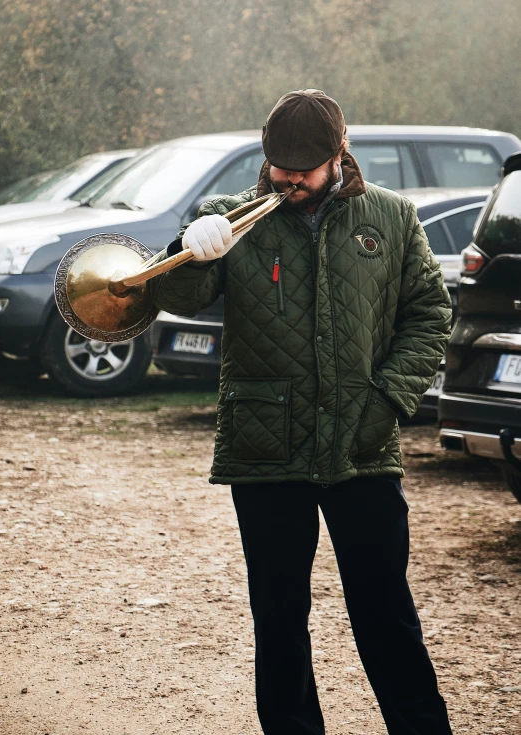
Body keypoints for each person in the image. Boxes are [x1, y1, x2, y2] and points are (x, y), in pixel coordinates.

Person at [149, 89, 454, 735]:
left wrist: (390, 400)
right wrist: (187, 246)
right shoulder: (230, 219)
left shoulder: (393, 218)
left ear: (339, 154)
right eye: (279, 166)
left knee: (385, 611)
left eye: (304, 169)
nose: (289, 179)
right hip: (265, 447)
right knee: (280, 615)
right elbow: (179, 294)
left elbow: (430, 314)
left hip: (363, 446)